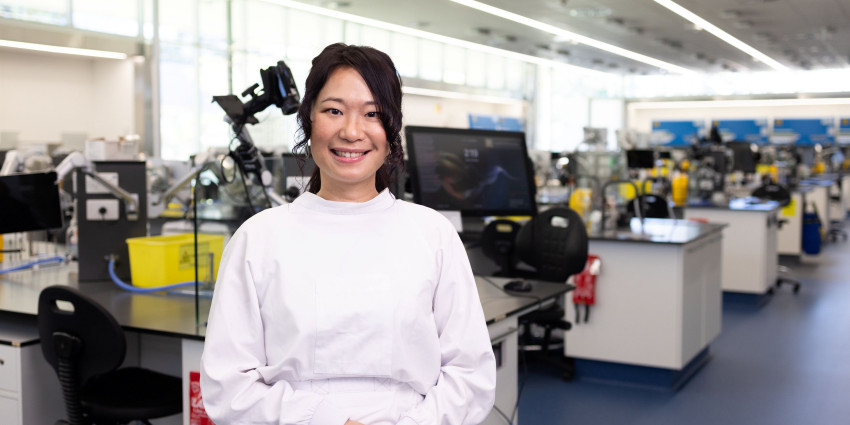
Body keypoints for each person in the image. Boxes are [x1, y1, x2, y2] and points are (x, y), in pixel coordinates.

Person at [200, 43, 496, 425]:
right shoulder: (258, 238)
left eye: (372, 113)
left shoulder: (432, 234)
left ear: (391, 129)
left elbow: (471, 374)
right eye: (333, 110)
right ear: (308, 121)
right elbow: (229, 385)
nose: (352, 131)